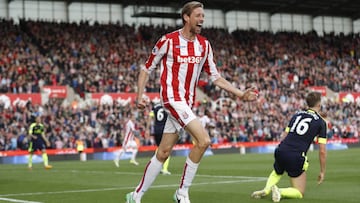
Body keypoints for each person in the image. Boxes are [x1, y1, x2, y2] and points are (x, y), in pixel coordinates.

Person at [125, 1, 258, 203]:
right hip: (171, 99)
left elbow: (216, 77)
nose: (201, 19)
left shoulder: (204, 45)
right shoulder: (168, 41)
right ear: (186, 17)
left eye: (203, 16)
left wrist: (240, 94)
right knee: (203, 141)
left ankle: (135, 195)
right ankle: (182, 193)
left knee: (163, 152)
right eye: (198, 15)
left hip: (186, 103)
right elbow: (146, 68)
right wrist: (139, 96)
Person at [251, 91, 327, 202]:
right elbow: (322, 151)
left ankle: (266, 189)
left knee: (278, 171)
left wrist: (282, 149)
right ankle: (279, 192)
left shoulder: (297, 115)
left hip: (281, 150)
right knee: (299, 192)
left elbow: (284, 136)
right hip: (296, 155)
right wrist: (322, 171)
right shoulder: (321, 122)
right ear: (319, 105)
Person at [150, 102, 171, 175]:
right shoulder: (166, 105)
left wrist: (148, 129)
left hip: (156, 130)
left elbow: (151, 117)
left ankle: (154, 167)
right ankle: (164, 169)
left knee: (159, 148)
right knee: (167, 150)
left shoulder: (155, 106)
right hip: (165, 130)